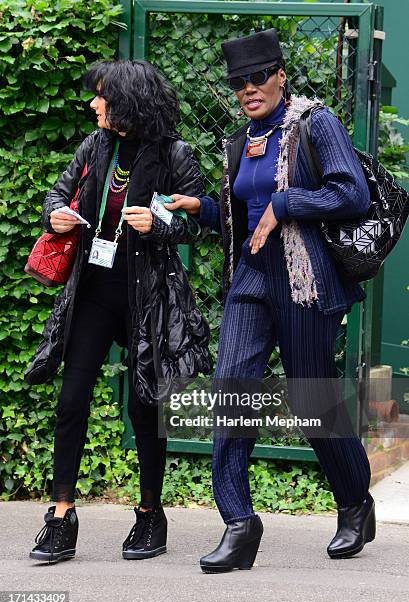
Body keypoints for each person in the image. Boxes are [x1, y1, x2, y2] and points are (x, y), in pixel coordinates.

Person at [166, 28, 376, 572]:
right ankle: (239, 525)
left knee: (313, 406)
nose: (249, 89)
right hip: (251, 282)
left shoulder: (315, 124)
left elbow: (350, 192)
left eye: (258, 77)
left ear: (281, 74)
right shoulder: (241, 140)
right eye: (239, 82)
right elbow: (243, 219)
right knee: (232, 395)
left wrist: (285, 202)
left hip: (306, 284)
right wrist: (203, 208)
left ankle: (355, 502)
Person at [25, 59, 210, 564]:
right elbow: (57, 194)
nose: (93, 104)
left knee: (144, 406)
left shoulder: (174, 153)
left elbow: (198, 220)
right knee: (71, 400)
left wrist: (160, 223)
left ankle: (151, 515)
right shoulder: (95, 146)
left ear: (127, 101)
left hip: (148, 295)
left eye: (101, 95)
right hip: (94, 291)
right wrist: (56, 215)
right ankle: (61, 516)